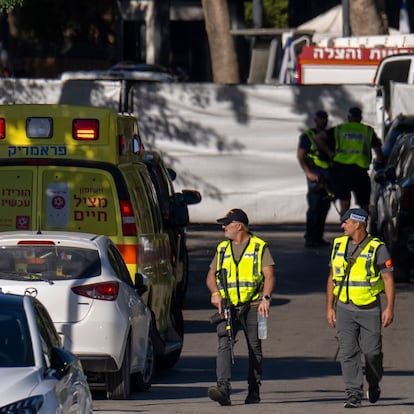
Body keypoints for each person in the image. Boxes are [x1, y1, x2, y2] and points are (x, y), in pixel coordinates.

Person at [325, 208, 395, 408]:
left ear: (358, 224)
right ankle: (353, 394)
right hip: (344, 308)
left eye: (345, 222)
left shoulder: (377, 247)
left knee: (372, 353)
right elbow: (332, 277)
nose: (342, 225)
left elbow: (388, 279)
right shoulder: (338, 244)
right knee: (348, 352)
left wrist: (389, 308)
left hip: (369, 308)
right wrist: (329, 307)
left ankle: (373, 382)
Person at [206, 208, 275, 406]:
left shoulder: (259, 247)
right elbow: (211, 277)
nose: (223, 227)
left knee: (255, 348)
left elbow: (269, 275)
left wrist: (266, 299)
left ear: (239, 226)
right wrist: (215, 293)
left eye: (227, 224)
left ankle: (254, 390)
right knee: (224, 343)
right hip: (229, 306)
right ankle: (223, 389)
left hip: (253, 305)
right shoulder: (222, 248)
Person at [315, 107, 384, 217]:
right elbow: (378, 150)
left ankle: (345, 227)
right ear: (360, 117)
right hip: (360, 171)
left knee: (344, 202)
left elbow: (318, 138)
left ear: (349, 117)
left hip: (341, 170)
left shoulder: (340, 129)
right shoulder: (368, 130)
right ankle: (362, 229)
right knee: (364, 204)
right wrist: (381, 163)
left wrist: (329, 152)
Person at [297, 110, 332, 247]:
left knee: (325, 207)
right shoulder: (308, 136)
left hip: (328, 175)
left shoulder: (328, 135)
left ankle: (318, 237)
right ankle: (310, 237)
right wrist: (308, 173)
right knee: (314, 207)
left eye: (325, 118)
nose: (323, 121)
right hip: (315, 174)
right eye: (321, 118)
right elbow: (301, 155)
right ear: (315, 120)